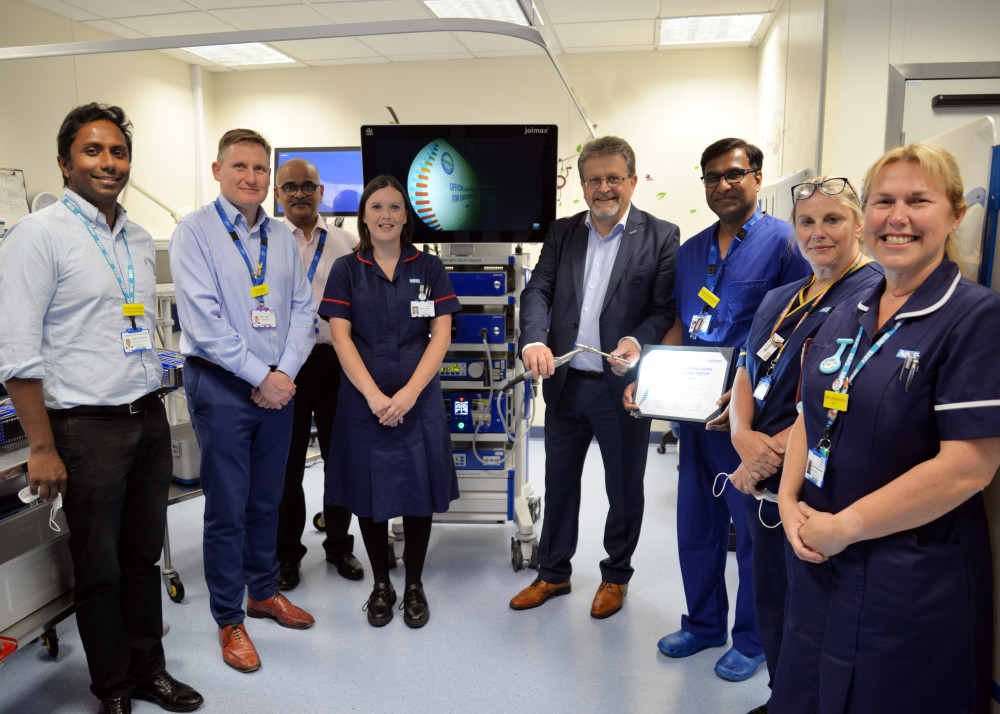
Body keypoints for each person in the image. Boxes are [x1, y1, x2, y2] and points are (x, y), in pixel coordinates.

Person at [772, 144, 1000, 712]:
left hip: (909, 577)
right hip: (820, 553)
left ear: (955, 216)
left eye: (918, 200)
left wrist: (844, 527)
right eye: (884, 201)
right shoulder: (848, 308)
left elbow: (969, 466)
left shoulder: (974, 318)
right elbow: (811, 411)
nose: (897, 217)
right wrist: (787, 496)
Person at [0, 103, 202, 714]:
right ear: (64, 163)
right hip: (84, 428)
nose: (107, 163)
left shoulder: (138, 238)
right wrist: (41, 446)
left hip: (145, 417)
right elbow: (17, 352)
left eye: (117, 152)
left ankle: (149, 671)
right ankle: (111, 687)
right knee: (99, 567)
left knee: (142, 557)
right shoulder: (37, 236)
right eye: (93, 151)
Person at [627, 138, 811, 681]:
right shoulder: (692, 250)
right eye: (711, 177)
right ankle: (704, 623)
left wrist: (745, 397)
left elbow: (799, 330)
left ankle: (753, 639)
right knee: (696, 524)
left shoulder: (785, 244)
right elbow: (685, 324)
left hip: (753, 417)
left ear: (757, 177)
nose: (722, 185)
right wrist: (650, 378)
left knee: (752, 534)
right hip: (695, 413)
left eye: (734, 174)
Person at [726, 176, 883, 711]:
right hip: (761, 475)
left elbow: (841, 393)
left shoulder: (873, 295)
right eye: (808, 222)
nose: (819, 233)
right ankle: (780, 697)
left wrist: (765, 457)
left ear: (859, 224)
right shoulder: (782, 296)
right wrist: (741, 434)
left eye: (833, 219)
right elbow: (747, 369)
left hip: (814, 485)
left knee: (813, 612)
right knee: (769, 597)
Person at [509, 136, 680, 619]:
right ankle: (553, 574)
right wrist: (534, 340)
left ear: (631, 180)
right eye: (593, 180)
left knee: (624, 488)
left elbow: (662, 309)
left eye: (613, 178)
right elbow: (538, 289)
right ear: (582, 185)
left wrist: (638, 341)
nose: (603, 188)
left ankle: (615, 576)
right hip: (566, 385)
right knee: (559, 482)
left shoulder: (661, 235)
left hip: (619, 388)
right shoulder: (563, 233)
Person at [170, 129, 316, 673]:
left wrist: (283, 374)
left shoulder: (280, 235)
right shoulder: (195, 233)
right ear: (217, 171)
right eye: (240, 167)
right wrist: (262, 375)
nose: (251, 177)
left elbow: (304, 309)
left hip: (278, 387)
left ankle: (262, 591)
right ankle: (229, 618)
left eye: (260, 169)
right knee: (228, 508)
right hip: (224, 388)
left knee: (268, 500)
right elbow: (203, 324)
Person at [319, 174, 461, 629]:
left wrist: (408, 394)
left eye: (395, 207)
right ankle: (382, 583)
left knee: (418, 494)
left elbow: (441, 334)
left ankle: (414, 583)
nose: (386, 215)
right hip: (364, 404)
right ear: (363, 215)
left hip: (418, 401)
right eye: (376, 207)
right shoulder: (346, 269)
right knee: (368, 494)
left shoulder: (429, 267)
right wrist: (377, 397)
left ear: (407, 215)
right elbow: (340, 338)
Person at [272, 158, 363, 590]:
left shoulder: (349, 243)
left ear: (321, 192)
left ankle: (340, 546)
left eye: (307, 186)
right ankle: (286, 554)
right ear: (278, 195)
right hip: (284, 366)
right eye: (289, 187)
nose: (299, 194)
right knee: (286, 466)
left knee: (340, 460)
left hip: (334, 362)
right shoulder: (267, 243)